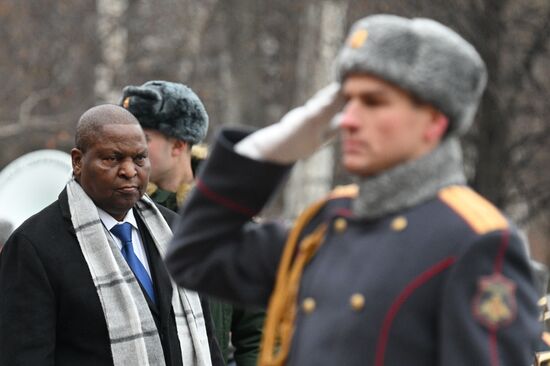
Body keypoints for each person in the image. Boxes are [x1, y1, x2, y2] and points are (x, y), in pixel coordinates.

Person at [164, 14, 541, 366]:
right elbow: (196, 257)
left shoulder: (476, 242)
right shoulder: (327, 224)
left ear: (434, 121)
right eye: (347, 101)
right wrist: (269, 151)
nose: (348, 120)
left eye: (374, 102)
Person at [0, 104, 216, 366]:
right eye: (112, 159)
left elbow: (207, 340)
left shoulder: (177, 231)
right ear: (78, 161)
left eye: (139, 158)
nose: (129, 171)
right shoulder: (32, 246)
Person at [120, 80, 265, 366]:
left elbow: (257, 335)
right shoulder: (117, 212)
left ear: (178, 145)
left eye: (143, 139)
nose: (130, 149)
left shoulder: (227, 218)